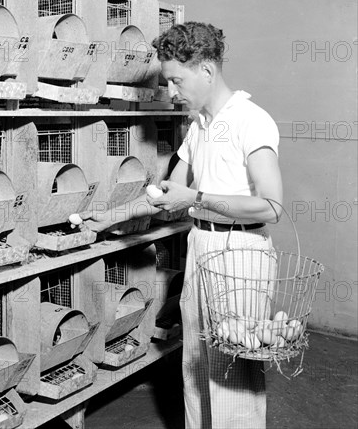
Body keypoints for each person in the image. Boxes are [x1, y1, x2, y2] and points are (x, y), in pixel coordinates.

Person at [79, 21, 283, 429]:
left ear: (206, 70)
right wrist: (114, 215)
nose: (171, 91)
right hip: (203, 248)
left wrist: (198, 200)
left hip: (241, 256)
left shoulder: (251, 120)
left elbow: (271, 206)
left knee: (233, 377)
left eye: (176, 80)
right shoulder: (199, 127)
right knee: (195, 367)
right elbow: (167, 192)